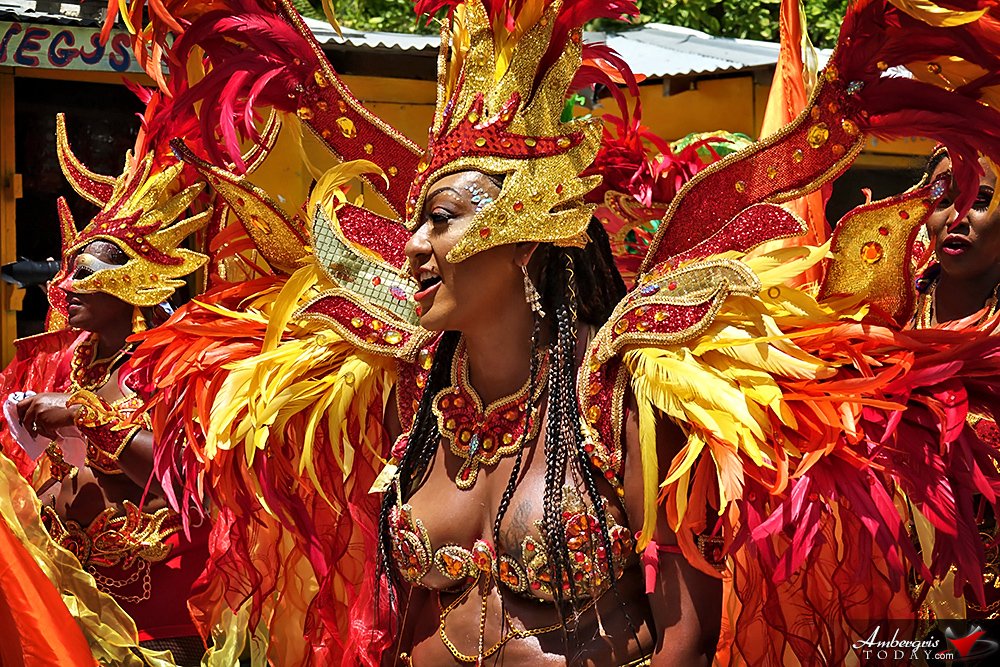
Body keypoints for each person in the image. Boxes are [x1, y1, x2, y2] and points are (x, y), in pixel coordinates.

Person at [110, 0, 1000, 665]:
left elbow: (687, 643)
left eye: (445, 219)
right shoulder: (404, 398)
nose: (414, 245)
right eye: (416, 220)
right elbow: (240, 495)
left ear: (528, 233)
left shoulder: (626, 395)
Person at [0, 122, 213, 665]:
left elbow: (194, 487)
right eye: (66, 272)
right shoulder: (60, 360)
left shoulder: (180, 364)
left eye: (86, 272)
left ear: (139, 280)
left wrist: (83, 416)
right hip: (65, 600)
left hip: (156, 616)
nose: (66, 285)